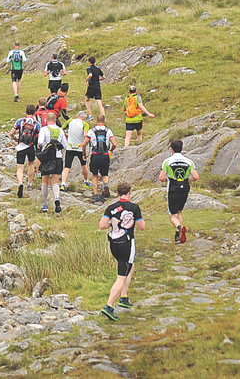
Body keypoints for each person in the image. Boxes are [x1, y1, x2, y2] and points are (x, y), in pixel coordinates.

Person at [98, 183, 145, 321]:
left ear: (117, 193)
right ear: (130, 192)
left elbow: (102, 225)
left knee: (129, 266)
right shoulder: (134, 207)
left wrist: (113, 224)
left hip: (114, 243)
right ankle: (109, 306)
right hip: (127, 243)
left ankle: (124, 297)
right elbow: (142, 227)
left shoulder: (111, 208)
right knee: (121, 276)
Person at [159, 139, 199, 243]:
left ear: (171, 150)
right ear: (181, 149)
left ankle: (179, 228)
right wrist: (187, 180)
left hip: (173, 189)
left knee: (173, 215)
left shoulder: (167, 161)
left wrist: (167, 179)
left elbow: (161, 177)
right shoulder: (189, 161)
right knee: (180, 212)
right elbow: (195, 176)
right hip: (184, 188)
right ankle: (178, 236)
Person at [35, 110, 67, 213]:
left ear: (46, 120)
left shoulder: (44, 129)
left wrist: (41, 145)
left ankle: (45, 204)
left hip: (47, 158)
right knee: (55, 181)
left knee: (45, 181)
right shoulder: (60, 130)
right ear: (55, 120)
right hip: (58, 157)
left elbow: (40, 142)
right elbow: (65, 145)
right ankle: (57, 198)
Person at [10, 105, 40, 198]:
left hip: (21, 146)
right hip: (31, 147)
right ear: (35, 112)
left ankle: (20, 182)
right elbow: (39, 135)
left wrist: (15, 138)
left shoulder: (20, 121)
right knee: (31, 164)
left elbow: (11, 133)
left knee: (20, 167)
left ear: (26, 112)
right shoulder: (37, 123)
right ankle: (30, 184)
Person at [85, 114, 116, 202]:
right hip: (105, 156)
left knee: (94, 175)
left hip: (95, 155)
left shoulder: (92, 131)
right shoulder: (108, 130)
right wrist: (111, 150)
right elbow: (115, 143)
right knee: (105, 174)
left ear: (96, 121)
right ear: (104, 121)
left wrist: (84, 153)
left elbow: (84, 143)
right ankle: (106, 184)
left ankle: (96, 196)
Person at [61, 111, 91, 192]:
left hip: (70, 147)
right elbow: (85, 135)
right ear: (84, 117)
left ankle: (63, 183)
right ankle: (86, 181)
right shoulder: (85, 124)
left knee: (67, 167)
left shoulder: (70, 121)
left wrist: (65, 136)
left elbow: (61, 130)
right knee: (84, 165)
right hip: (80, 148)